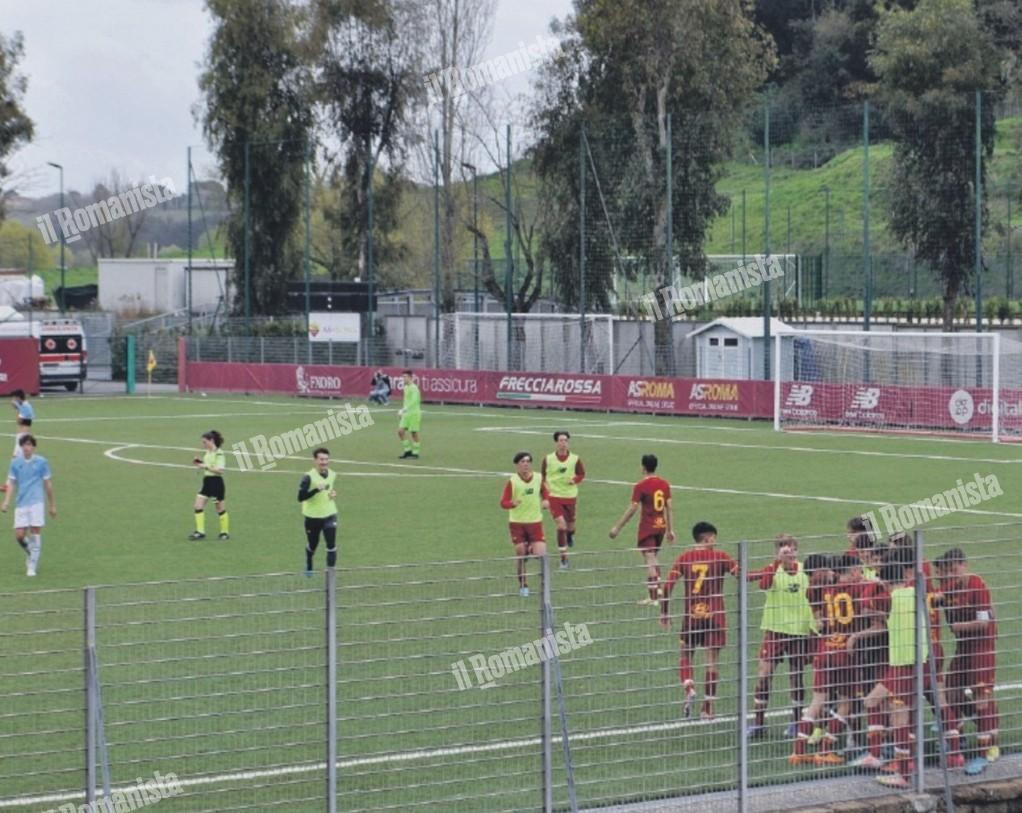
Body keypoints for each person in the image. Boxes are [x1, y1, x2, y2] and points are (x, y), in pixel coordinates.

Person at [790, 553, 884, 766]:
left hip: (825, 648)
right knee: (846, 702)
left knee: (817, 701)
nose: (861, 574)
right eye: (858, 571)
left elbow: (819, 614)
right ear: (851, 571)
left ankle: (798, 751)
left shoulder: (827, 590)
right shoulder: (861, 588)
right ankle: (826, 749)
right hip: (845, 652)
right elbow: (875, 593)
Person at [659, 521, 739, 719]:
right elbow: (743, 575)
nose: (715, 542)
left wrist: (664, 612)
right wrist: (769, 570)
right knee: (712, 662)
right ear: (708, 538)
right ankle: (707, 709)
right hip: (715, 616)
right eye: (714, 538)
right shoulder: (720, 556)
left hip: (692, 616)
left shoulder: (685, 558)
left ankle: (689, 688)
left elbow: (667, 587)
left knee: (685, 653)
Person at [936, 547, 998, 775]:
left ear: (964, 565)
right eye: (948, 571)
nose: (951, 575)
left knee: (981, 698)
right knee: (951, 692)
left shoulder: (976, 584)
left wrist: (959, 626)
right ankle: (974, 733)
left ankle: (984, 753)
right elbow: (937, 597)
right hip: (964, 648)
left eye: (954, 570)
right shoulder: (952, 586)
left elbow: (983, 622)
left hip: (981, 649)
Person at [747, 535, 815, 740]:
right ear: (777, 552)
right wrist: (776, 563)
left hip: (799, 631)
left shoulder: (805, 571)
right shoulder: (772, 569)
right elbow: (764, 585)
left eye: (792, 548)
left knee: (796, 677)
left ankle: (796, 722)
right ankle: (758, 723)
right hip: (775, 631)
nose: (789, 552)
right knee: (764, 675)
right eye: (784, 548)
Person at [609, 454, 675, 605]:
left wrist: (617, 527)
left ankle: (653, 598)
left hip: (648, 527)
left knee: (650, 559)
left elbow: (633, 508)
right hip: (661, 527)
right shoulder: (664, 484)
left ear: (643, 467)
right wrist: (671, 530)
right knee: (652, 558)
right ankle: (657, 592)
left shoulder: (641, 486)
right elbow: (669, 507)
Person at [500, 451, 563, 597]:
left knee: (541, 555)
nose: (526, 464)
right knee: (520, 554)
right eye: (522, 461)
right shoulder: (512, 481)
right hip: (517, 524)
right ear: (517, 465)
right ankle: (523, 584)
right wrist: (511, 503)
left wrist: (546, 500)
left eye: (528, 461)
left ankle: (545, 587)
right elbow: (503, 502)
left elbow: (546, 492)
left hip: (535, 523)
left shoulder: (538, 478)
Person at [1, 435, 56, 577]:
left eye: (29, 444)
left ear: (34, 447)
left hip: (37, 502)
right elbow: (11, 483)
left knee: (35, 532)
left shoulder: (42, 462)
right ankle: (31, 552)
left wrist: (52, 505)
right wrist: (6, 501)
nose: (27, 447)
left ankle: (32, 566)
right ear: (21, 447)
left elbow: (48, 484)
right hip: (21, 502)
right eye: (24, 445)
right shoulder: (15, 463)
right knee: (19, 536)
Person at [541, 431, 586, 570]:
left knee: (571, 527)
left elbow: (582, 474)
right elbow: (542, 478)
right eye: (560, 440)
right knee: (561, 526)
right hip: (554, 496)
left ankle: (570, 536)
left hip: (570, 496)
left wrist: (575, 480)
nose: (563, 443)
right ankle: (564, 559)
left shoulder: (575, 458)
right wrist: (545, 498)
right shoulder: (547, 459)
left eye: (565, 440)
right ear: (556, 442)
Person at [297, 447, 338, 576]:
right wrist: (315, 490)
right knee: (313, 544)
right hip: (312, 517)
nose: (324, 462)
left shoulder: (332, 474)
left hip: (330, 514)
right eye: (321, 459)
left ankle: (330, 575)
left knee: (331, 546)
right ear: (315, 460)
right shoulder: (308, 477)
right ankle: (309, 562)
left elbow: (329, 490)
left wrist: (332, 494)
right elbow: (300, 497)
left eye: (326, 459)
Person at [189, 430, 229, 540]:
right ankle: (200, 532)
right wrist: (199, 462)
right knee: (198, 506)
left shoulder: (219, 453)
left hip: (216, 484)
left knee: (219, 508)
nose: (203, 444)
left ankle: (224, 532)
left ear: (211, 441)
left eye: (205, 442)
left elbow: (220, 470)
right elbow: (209, 465)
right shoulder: (208, 453)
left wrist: (204, 466)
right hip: (207, 483)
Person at [398, 370, 422, 459]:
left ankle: (416, 453)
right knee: (400, 432)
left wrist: (405, 409)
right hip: (406, 414)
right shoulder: (406, 387)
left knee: (414, 433)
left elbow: (414, 401)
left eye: (405, 377)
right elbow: (406, 401)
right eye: (402, 377)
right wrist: (402, 411)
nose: (403, 379)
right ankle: (407, 451)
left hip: (414, 414)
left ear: (410, 377)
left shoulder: (414, 388)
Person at [12, 389, 34, 459]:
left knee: (16, 454)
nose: (14, 399)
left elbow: (19, 421)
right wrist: (16, 407)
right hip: (23, 429)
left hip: (24, 429)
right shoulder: (23, 404)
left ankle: (16, 459)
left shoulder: (26, 406)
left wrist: (17, 410)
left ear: (18, 397)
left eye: (15, 397)